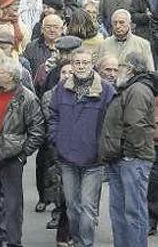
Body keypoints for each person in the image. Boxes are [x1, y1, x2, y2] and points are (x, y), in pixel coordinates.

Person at [48, 48, 115, 247]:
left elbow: (112, 124)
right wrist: (56, 138)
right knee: (71, 208)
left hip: (93, 160)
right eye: (77, 62)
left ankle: (85, 243)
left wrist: (103, 148)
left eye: (85, 62)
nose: (81, 66)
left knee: (87, 207)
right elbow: (53, 116)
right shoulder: (61, 88)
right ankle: (77, 241)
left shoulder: (106, 90)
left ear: (92, 64)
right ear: (73, 64)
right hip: (67, 159)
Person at [0, 58, 45, 247]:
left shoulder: (27, 98)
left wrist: (22, 154)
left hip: (11, 157)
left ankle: (13, 241)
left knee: (12, 204)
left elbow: (37, 130)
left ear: (10, 76)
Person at [100, 52, 158, 247]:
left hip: (131, 159)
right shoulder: (129, 87)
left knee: (133, 211)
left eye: (120, 67)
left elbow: (137, 125)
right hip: (122, 157)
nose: (116, 71)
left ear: (131, 68)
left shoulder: (138, 89)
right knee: (120, 209)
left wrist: (129, 154)